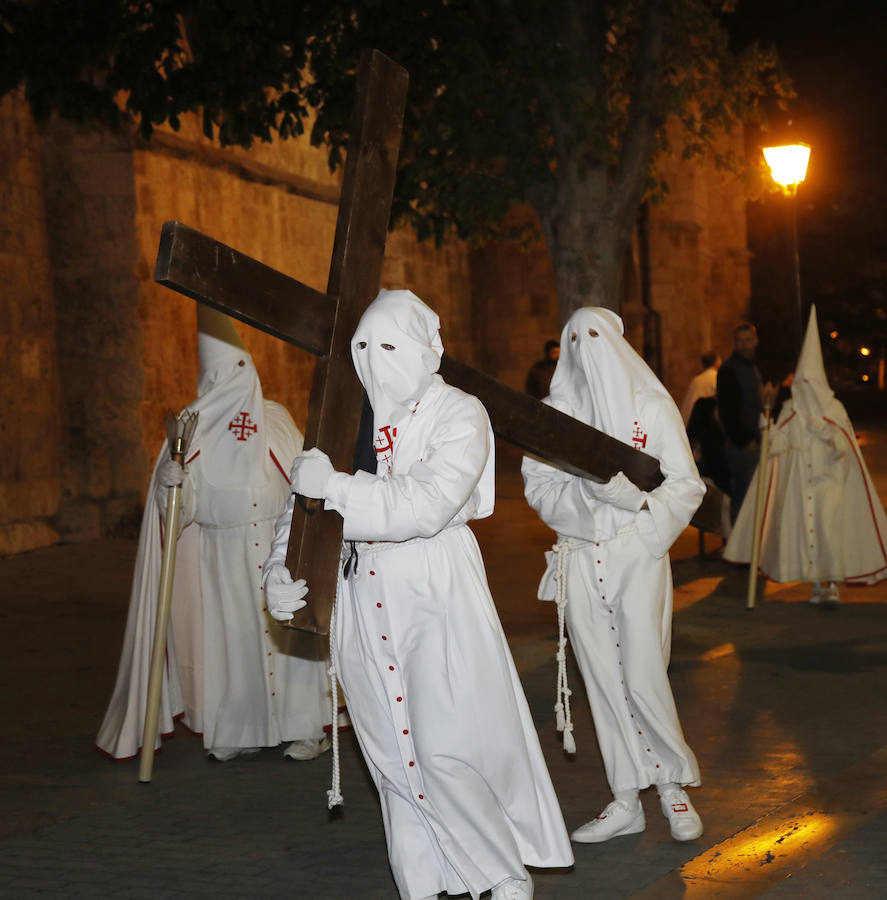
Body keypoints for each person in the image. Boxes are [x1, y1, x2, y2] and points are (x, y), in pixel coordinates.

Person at [263, 289, 572, 900]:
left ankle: (504, 879)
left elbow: (428, 504)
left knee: (445, 748)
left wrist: (339, 492)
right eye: (362, 347)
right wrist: (279, 570)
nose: (375, 360)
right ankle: (424, 887)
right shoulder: (344, 417)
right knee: (391, 759)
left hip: (434, 591)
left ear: (427, 350)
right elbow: (299, 508)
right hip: (358, 596)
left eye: (389, 345)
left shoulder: (459, 413)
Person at [96, 308, 330, 763]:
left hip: (279, 547)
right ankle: (239, 729)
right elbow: (178, 517)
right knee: (235, 644)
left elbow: (305, 473)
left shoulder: (276, 418)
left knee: (291, 644)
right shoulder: (190, 429)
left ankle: (305, 727)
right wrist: (170, 483)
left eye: (236, 374)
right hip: (223, 555)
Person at [522, 307, 706, 845]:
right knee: (601, 676)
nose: (587, 346)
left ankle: (673, 787)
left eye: (596, 335)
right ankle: (626, 797)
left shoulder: (651, 406)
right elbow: (539, 488)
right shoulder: (554, 414)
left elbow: (686, 485)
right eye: (574, 337)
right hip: (580, 557)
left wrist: (633, 501)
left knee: (645, 669)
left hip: (637, 554)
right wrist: (584, 497)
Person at [724, 306, 887, 603]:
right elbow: (777, 446)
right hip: (800, 481)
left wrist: (825, 431)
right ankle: (815, 583)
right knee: (807, 532)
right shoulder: (790, 410)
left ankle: (830, 583)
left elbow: (846, 446)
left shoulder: (834, 410)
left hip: (828, 480)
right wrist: (767, 429)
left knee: (827, 530)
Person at [717, 323, 772, 523]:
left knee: (754, 500)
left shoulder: (752, 367)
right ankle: (738, 549)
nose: (744, 345)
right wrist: (746, 440)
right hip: (743, 447)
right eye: (740, 341)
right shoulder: (729, 371)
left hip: (755, 443)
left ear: (755, 341)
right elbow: (728, 413)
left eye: (748, 340)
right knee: (743, 500)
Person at [680, 351, 721, 425]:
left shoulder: (696, 379)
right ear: (716, 362)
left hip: (691, 420)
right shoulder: (717, 377)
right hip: (705, 422)